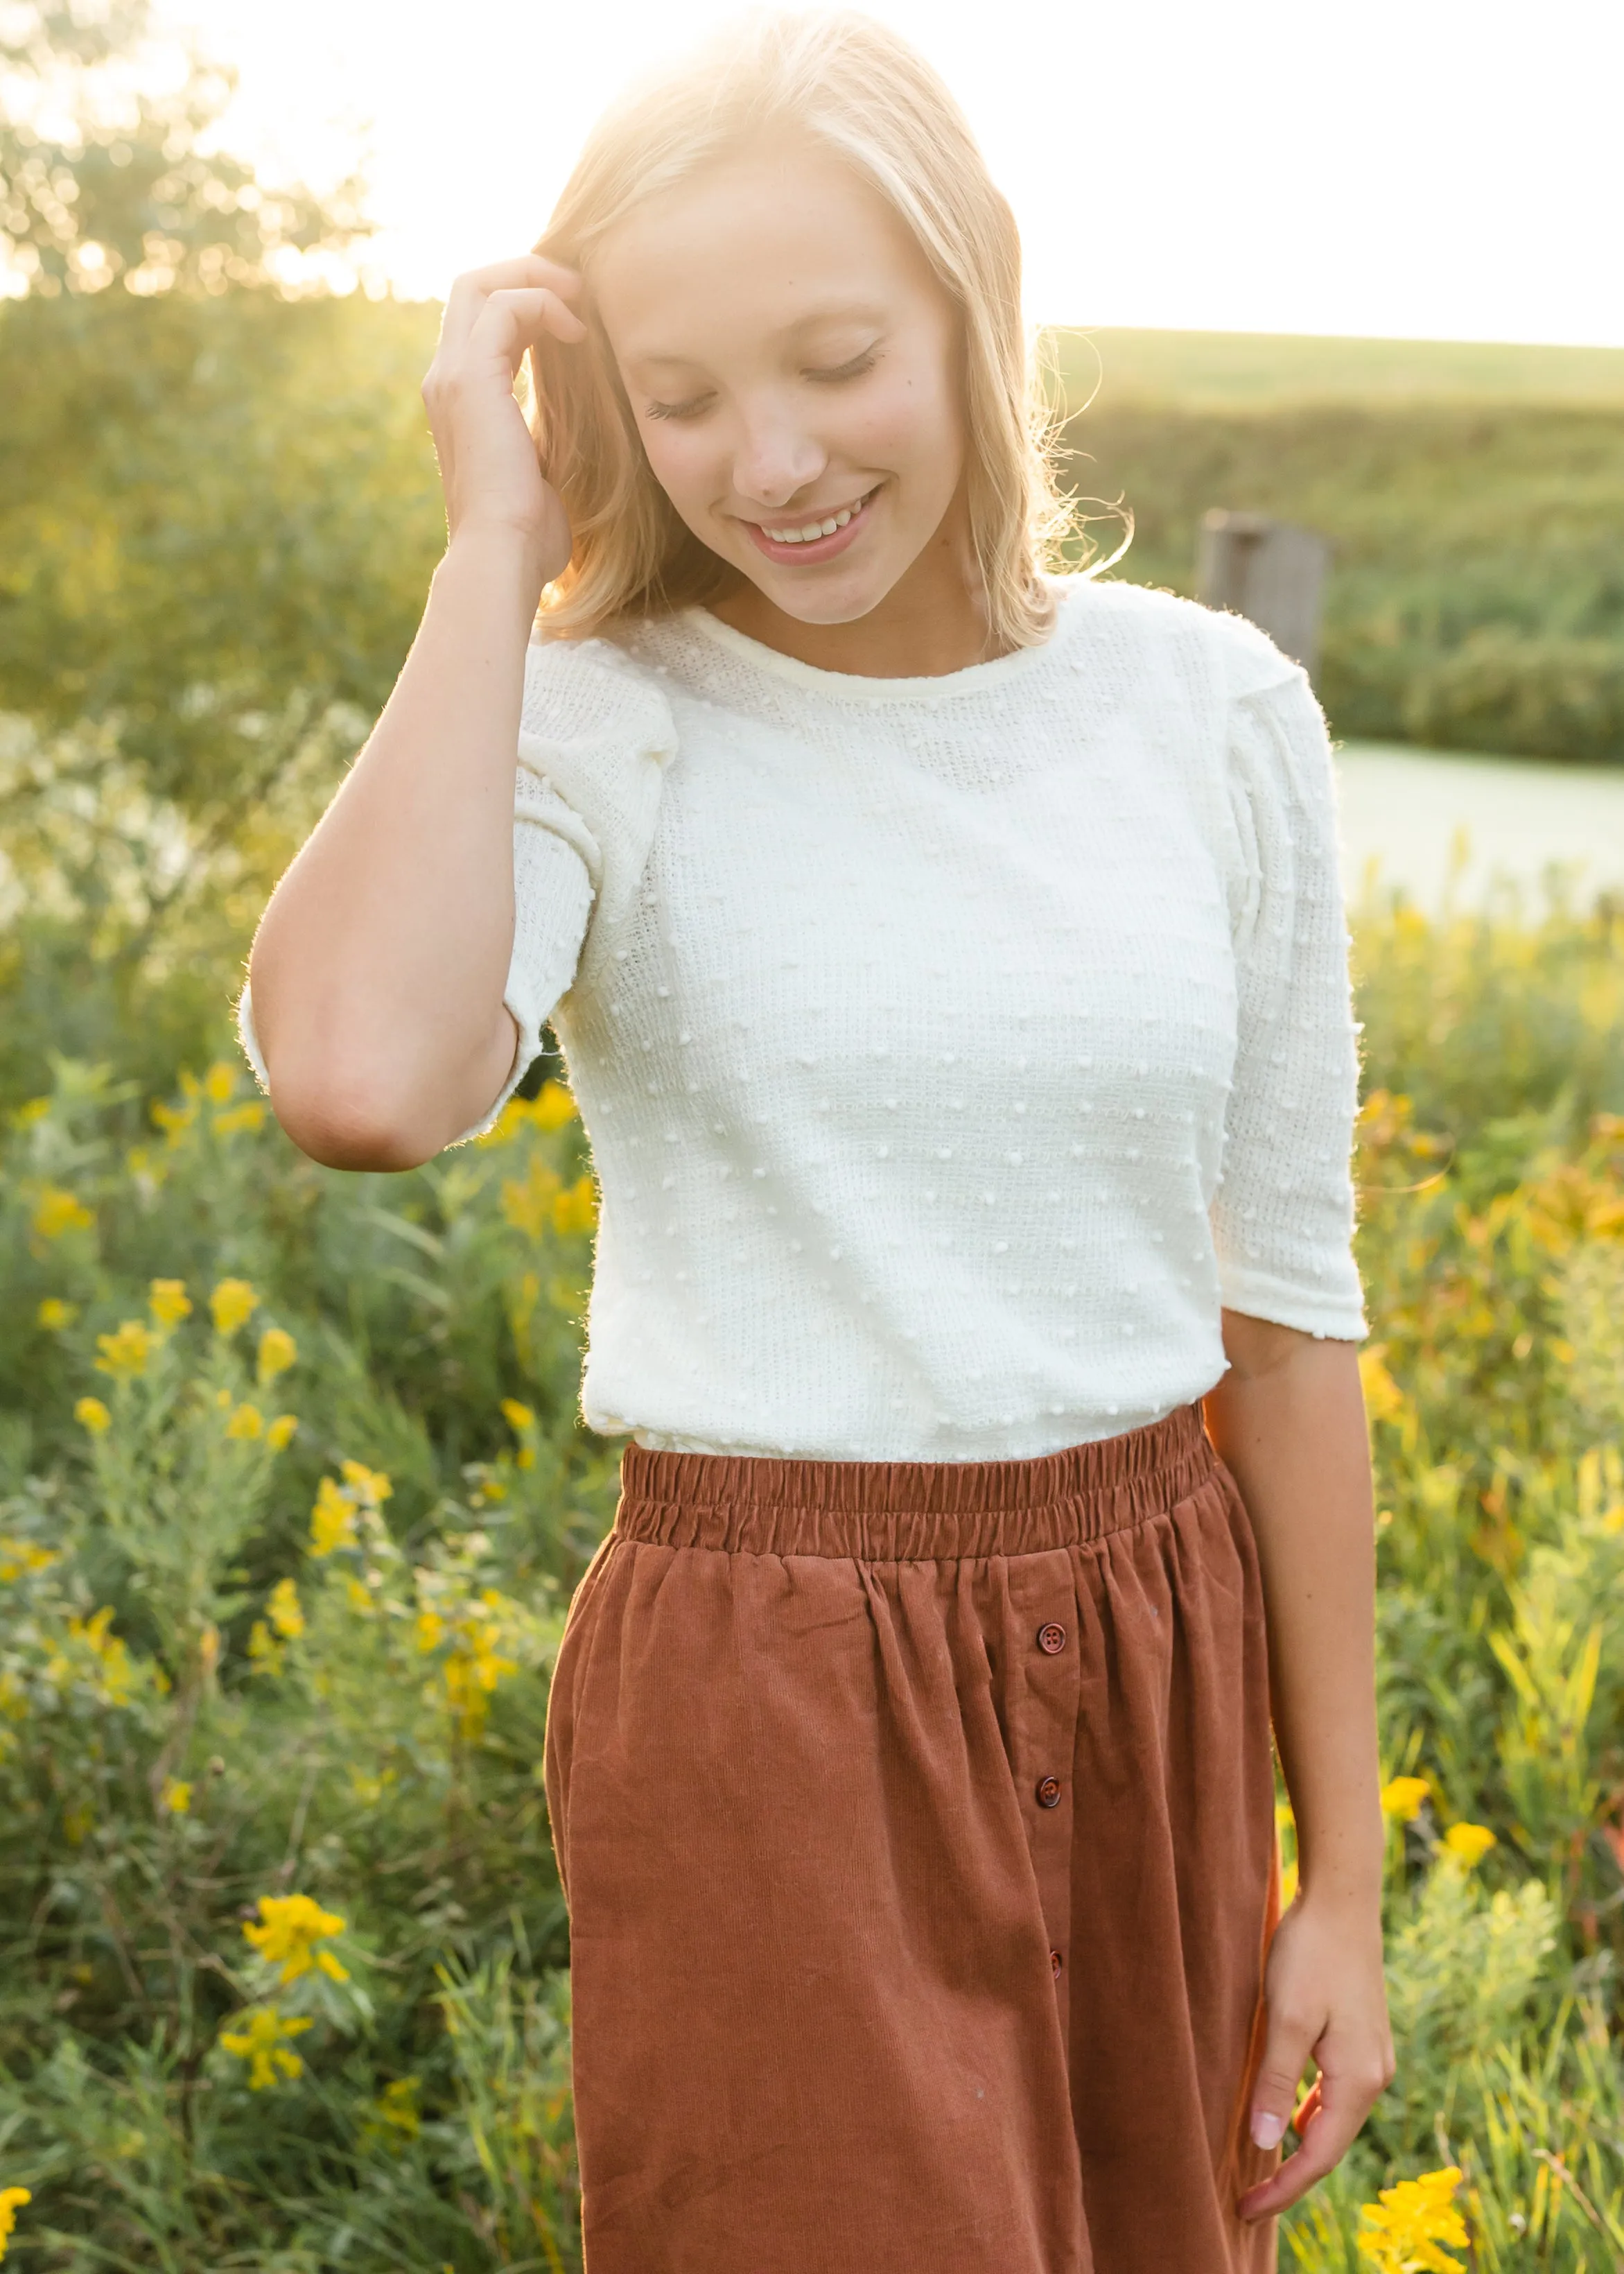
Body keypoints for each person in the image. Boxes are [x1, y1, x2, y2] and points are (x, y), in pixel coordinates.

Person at [239, 11, 1395, 2269]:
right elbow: (364, 1082)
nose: (765, 459)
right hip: (774, 1690)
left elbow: (1286, 1323)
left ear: (975, 304)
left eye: (835, 358)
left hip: (1163, 1640)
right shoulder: (598, 719)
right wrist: (499, 543)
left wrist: (1334, 1886)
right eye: (676, 399)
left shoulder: (1214, 712)